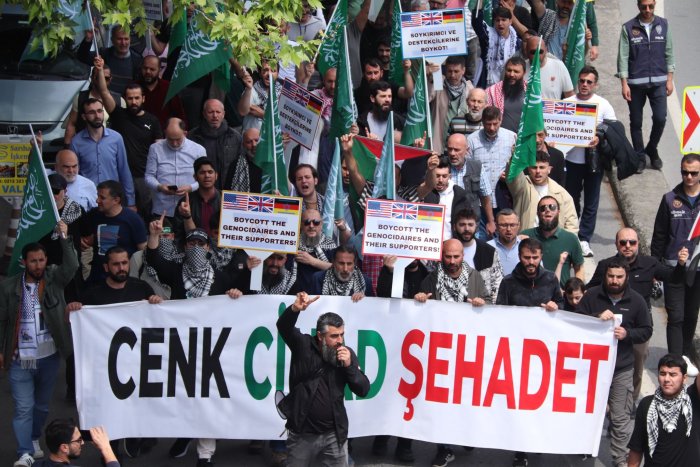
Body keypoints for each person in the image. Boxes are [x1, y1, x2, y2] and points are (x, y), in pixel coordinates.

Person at [65, 246, 163, 460]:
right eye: (116, 264)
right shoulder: (93, 295)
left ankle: (132, 441)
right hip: (105, 365)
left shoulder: (141, 288)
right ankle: (109, 453)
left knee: (135, 406)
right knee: (109, 410)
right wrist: (72, 309)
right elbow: (76, 322)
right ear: (106, 267)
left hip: (136, 363)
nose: (121, 268)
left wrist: (156, 302)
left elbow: (158, 318)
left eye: (124, 263)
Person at [0, 230, 78, 467]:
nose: (38, 265)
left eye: (41, 260)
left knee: (41, 406)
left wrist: (64, 237)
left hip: (48, 357)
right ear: (24, 262)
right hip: (20, 359)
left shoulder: (54, 279)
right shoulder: (9, 287)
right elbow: (2, 320)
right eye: (33, 261)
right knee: (24, 407)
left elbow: (72, 265)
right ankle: (24, 452)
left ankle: (34, 438)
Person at [590, 227, 691, 396]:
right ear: (616, 244)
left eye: (632, 242)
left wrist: (681, 264)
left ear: (638, 244)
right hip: (608, 329)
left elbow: (673, 277)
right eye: (623, 242)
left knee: (636, 370)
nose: (627, 246)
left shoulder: (650, 263)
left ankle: (631, 401)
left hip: (638, 328)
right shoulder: (605, 266)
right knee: (604, 367)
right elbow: (589, 292)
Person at [276, 292, 370, 466]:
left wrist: (349, 366)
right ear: (320, 336)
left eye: (341, 334)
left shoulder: (346, 354)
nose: (340, 340)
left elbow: (363, 389)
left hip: (334, 435)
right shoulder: (303, 345)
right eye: (334, 336)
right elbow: (283, 327)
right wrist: (295, 309)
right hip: (302, 434)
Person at [577, 259, 653, 467]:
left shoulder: (637, 301)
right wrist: (596, 317)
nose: (614, 280)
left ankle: (620, 460)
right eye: (611, 276)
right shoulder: (591, 296)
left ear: (626, 277)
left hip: (621, 369)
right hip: (591, 368)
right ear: (605, 275)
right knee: (586, 412)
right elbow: (575, 321)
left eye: (619, 277)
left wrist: (628, 334)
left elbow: (646, 330)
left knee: (620, 418)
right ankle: (581, 447)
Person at [94, 57, 164, 219]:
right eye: (130, 98)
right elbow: (104, 92)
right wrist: (100, 69)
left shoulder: (152, 121)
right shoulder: (119, 115)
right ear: (125, 99)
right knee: (121, 214)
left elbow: (159, 150)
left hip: (145, 177)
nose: (133, 102)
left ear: (143, 98)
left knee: (148, 215)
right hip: (122, 177)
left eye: (137, 98)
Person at [651, 153, 700, 372]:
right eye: (685, 172)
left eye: (694, 173)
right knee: (676, 316)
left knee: (691, 315)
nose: (689, 177)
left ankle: (685, 355)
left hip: (698, 269)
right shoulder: (670, 199)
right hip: (673, 269)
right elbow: (659, 236)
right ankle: (674, 360)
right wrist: (654, 268)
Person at [564, 66, 617, 257]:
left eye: (589, 82)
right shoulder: (567, 103)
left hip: (594, 162)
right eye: (582, 81)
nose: (585, 85)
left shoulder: (603, 104)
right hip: (571, 161)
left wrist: (599, 136)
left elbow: (614, 129)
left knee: (591, 202)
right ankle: (572, 233)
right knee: (571, 199)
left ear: (595, 84)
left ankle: (584, 238)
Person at [617, 0, 675, 170]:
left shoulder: (664, 25)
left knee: (660, 118)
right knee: (636, 122)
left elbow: (669, 52)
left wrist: (670, 79)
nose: (647, 10)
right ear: (638, 6)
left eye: (651, 6)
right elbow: (622, 57)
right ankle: (639, 156)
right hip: (635, 84)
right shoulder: (628, 28)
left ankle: (652, 148)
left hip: (659, 82)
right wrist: (624, 83)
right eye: (644, 7)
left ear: (655, 4)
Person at [628, 353, 700, 467]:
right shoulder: (646, 404)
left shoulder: (693, 399)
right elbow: (637, 448)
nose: (666, 379)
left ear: (685, 378)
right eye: (662, 373)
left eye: (673, 374)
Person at [69, 98, 136, 208]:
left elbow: (124, 170)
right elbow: (74, 174)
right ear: (84, 117)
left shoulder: (116, 138)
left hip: (112, 199)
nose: (97, 116)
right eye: (92, 112)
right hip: (88, 199)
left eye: (100, 111)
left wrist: (131, 202)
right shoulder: (76, 142)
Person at [80, 180, 147, 284]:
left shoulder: (133, 220)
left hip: (123, 279)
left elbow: (143, 250)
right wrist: (81, 241)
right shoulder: (94, 215)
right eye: (98, 196)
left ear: (116, 200)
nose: (97, 200)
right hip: (97, 278)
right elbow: (81, 234)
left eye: (102, 198)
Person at [145, 118, 206, 219]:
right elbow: (149, 176)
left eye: (178, 139)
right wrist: (160, 187)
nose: (174, 143)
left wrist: (190, 187)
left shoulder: (198, 150)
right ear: (165, 133)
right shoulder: (155, 148)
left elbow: (204, 179)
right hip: (162, 208)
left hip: (189, 207)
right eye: (170, 139)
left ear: (185, 133)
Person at [467, 106, 517, 226]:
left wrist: (511, 174)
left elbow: (519, 165)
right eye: (488, 124)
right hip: (480, 201)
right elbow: (466, 168)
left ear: (501, 120)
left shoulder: (512, 137)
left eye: (495, 124)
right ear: (482, 122)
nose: (492, 128)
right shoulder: (472, 140)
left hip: (505, 197)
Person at [507, 150, 579, 233]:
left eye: (542, 167)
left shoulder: (562, 194)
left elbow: (571, 226)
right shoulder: (521, 187)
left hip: (553, 240)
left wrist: (566, 240)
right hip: (525, 239)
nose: (538, 171)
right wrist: (515, 158)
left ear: (549, 169)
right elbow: (514, 177)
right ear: (529, 169)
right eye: (534, 167)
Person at [521, 196, 585, 286]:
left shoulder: (570, 239)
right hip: (530, 291)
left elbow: (579, 269)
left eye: (552, 207)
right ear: (538, 213)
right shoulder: (525, 236)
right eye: (543, 208)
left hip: (561, 292)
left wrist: (577, 290)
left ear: (558, 212)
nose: (547, 210)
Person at [443, 133, 495, 233]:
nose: (452, 153)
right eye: (450, 149)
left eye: (457, 150)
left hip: (470, 225)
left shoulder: (477, 167)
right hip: (446, 225)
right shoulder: (441, 165)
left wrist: (491, 221)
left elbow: (485, 197)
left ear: (467, 150)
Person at [189, 99, 246, 190]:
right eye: (211, 112)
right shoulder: (192, 137)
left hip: (229, 190)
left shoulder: (235, 137)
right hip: (201, 191)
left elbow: (242, 166)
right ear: (204, 114)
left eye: (218, 112)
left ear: (223, 114)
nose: (215, 116)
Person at [452, 209, 503, 304]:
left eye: (470, 225)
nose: (467, 229)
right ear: (454, 227)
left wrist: (489, 306)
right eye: (462, 225)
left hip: (481, 307)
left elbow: (497, 284)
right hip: (449, 306)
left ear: (476, 227)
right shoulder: (444, 249)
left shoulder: (489, 251)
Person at [496, 237, 563, 309]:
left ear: (541, 257)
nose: (531, 262)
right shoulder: (508, 282)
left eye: (535, 258)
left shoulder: (551, 278)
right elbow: (500, 310)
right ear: (519, 256)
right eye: (527, 258)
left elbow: (561, 304)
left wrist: (555, 306)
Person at [77, 25, 142, 95]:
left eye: (126, 39)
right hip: (101, 98)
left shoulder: (137, 60)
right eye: (119, 39)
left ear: (130, 40)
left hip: (124, 100)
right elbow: (82, 57)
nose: (123, 43)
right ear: (112, 40)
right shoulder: (104, 54)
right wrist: (88, 39)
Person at [428, 56, 474, 154]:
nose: (452, 75)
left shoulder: (469, 90)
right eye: (449, 71)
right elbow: (426, 98)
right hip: (439, 147)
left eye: (456, 71)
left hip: (461, 149)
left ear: (463, 70)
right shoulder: (438, 84)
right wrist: (429, 76)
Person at [418, 155, 469, 240]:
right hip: (428, 241)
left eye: (444, 176)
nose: (440, 180)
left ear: (450, 176)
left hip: (451, 242)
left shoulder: (459, 194)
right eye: (437, 176)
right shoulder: (425, 192)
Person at [35, 421, 120, 467]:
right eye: (78, 440)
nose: (82, 442)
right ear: (64, 447)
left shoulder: (36, 464)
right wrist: (106, 447)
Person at [174, 157, 220, 238]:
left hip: (221, 245)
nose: (207, 176)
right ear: (195, 177)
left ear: (216, 175)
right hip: (192, 245)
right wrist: (187, 216)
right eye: (202, 172)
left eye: (210, 172)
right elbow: (178, 233)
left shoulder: (227, 200)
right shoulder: (185, 203)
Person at [294, 209, 338, 292]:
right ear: (301, 225)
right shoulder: (292, 244)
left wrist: (312, 261)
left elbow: (338, 270)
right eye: (307, 222)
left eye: (316, 222)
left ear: (321, 224)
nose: (311, 226)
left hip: (324, 294)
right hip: (297, 295)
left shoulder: (330, 245)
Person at [140, 54, 187, 128]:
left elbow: (179, 115)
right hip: (140, 130)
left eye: (152, 69)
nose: (148, 72)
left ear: (159, 70)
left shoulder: (168, 88)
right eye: (145, 68)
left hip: (163, 131)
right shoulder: (134, 88)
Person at [522, 35, 574, 100]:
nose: (537, 55)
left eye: (540, 52)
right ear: (526, 51)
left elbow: (570, 96)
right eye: (533, 52)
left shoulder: (559, 66)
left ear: (546, 50)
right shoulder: (521, 68)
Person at [485, 56, 527, 132]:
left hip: (524, 137)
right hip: (499, 137)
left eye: (516, 71)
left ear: (524, 73)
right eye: (509, 70)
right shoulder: (492, 91)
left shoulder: (530, 91)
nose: (511, 74)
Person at [222, 127, 263, 193]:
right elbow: (228, 194)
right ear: (243, 145)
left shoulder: (273, 166)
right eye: (249, 142)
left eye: (257, 140)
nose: (254, 145)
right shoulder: (235, 166)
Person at [487, 209, 523, 275]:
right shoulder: (487, 248)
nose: (508, 229)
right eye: (504, 225)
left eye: (512, 225)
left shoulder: (525, 247)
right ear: (496, 226)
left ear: (518, 225)